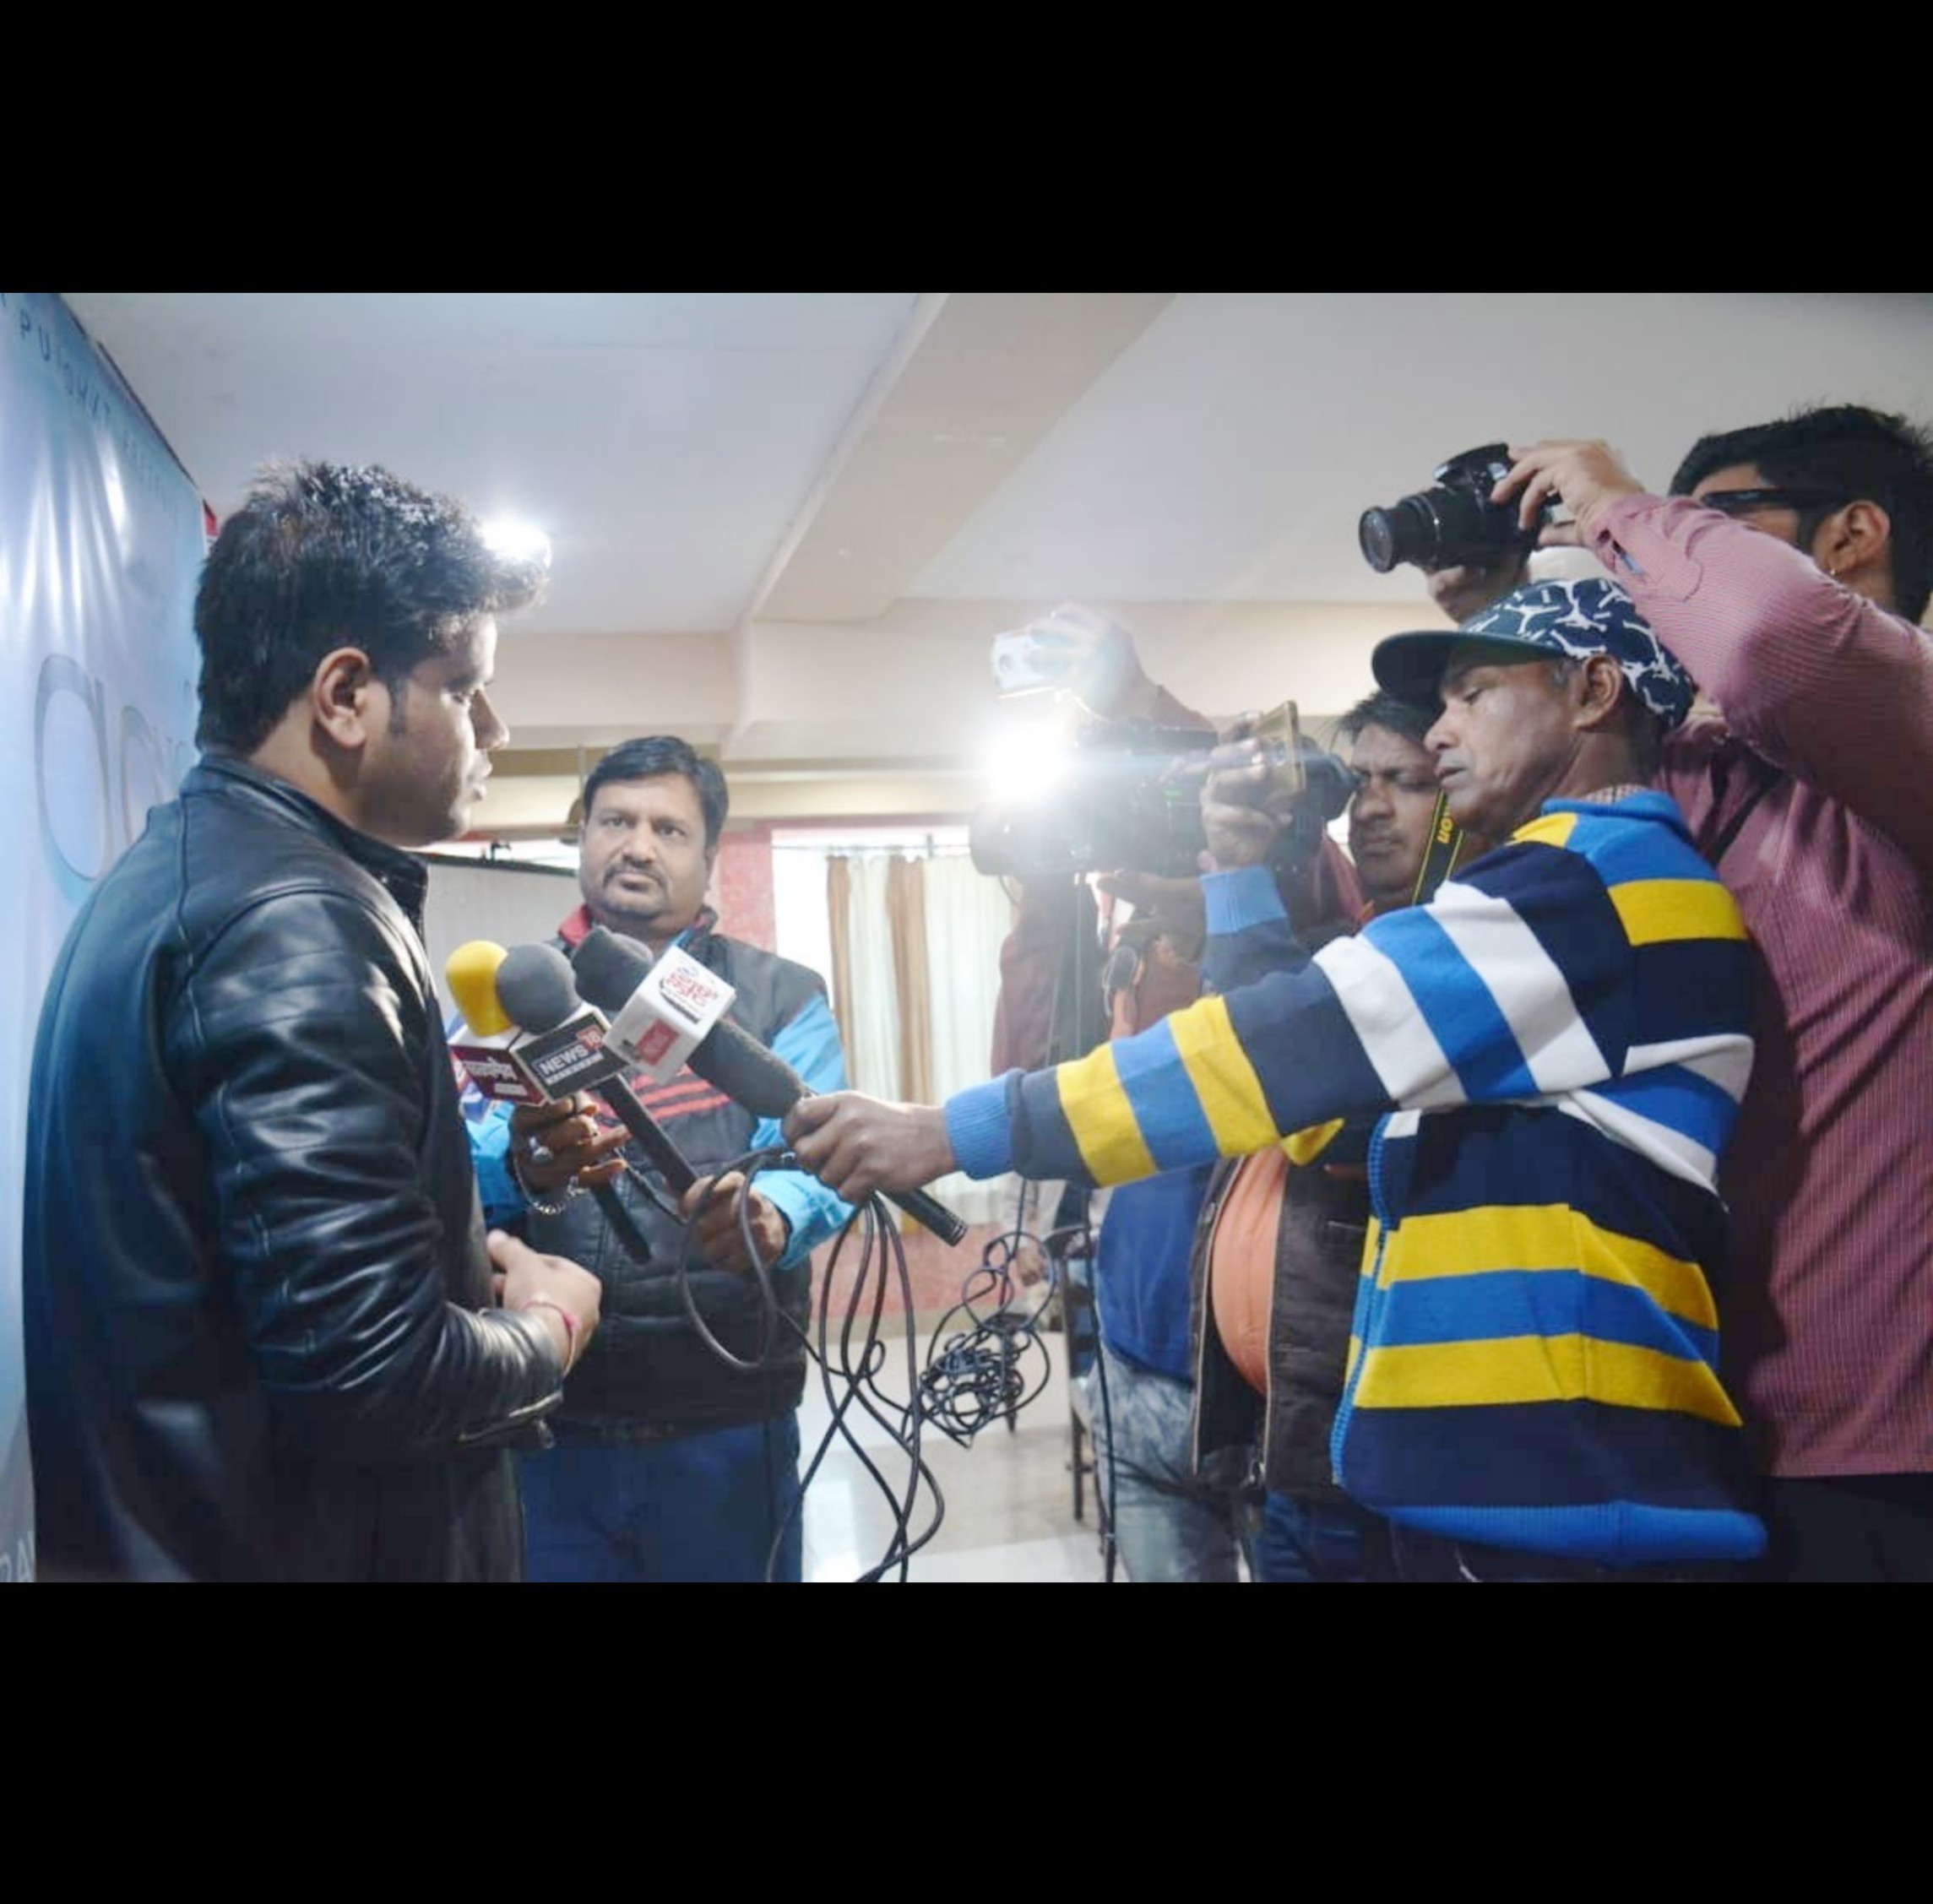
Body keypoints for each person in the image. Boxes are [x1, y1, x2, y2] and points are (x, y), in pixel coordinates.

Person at [788, 578, 1767, 1581]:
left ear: (1595, 691)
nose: (1440, 733)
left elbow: (1277, 1048)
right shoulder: (1578, 889)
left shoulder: (1580, 886)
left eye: (1473, 695)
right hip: (1520, 1484)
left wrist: (954, 1132)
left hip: (1565, 1495)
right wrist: (1235, 870)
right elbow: (1319, 1110)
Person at [22, 458, 603, 1583]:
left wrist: (444, 1269)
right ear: (345, 696)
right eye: (463, 687)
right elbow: (375, 1378)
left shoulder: (188, 874)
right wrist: (550, 1326)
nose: (494, 725)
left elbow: (276, 1299)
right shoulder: (296, 922)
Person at [1496, 408, 1933, 1581]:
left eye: (1716, 520)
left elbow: (1779, 636)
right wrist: (1488, 629)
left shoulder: (1914, 736)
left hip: (1879, 1456)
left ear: (1852, 534)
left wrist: (1615, 502)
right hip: (1676, 1422)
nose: (1665, 553)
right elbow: (1455, 866)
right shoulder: (1694, 774)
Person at [981, 605, 1359, 1581]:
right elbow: (1027, 1067)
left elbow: (1305, 866)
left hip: (1267, 1396)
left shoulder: (1312, 951)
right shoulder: (1129, 957)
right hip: (1135, 1372)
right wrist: (1049, 889)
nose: (1140, 858)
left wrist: (1146, 707)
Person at [469, 735, 853, 1583]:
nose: (638, 846)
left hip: (728, 1423)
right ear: (582, 837)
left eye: (669, 829)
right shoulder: (513, 999)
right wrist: (524, 1170)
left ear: (709, 859)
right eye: (616, 821)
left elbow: (819, 1154)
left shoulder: (781, 996)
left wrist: (772, 1215)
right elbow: (460, 1179)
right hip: (551, 1425)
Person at [1191, 689, 1487, 1582]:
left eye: (1407, 782)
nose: (1369, 807)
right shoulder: (1343, 947)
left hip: (1385, 1466)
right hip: (1292, 1448)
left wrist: (1238, 883)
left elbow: (1317, 1118)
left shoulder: (1469, 954)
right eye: (1358, 782)